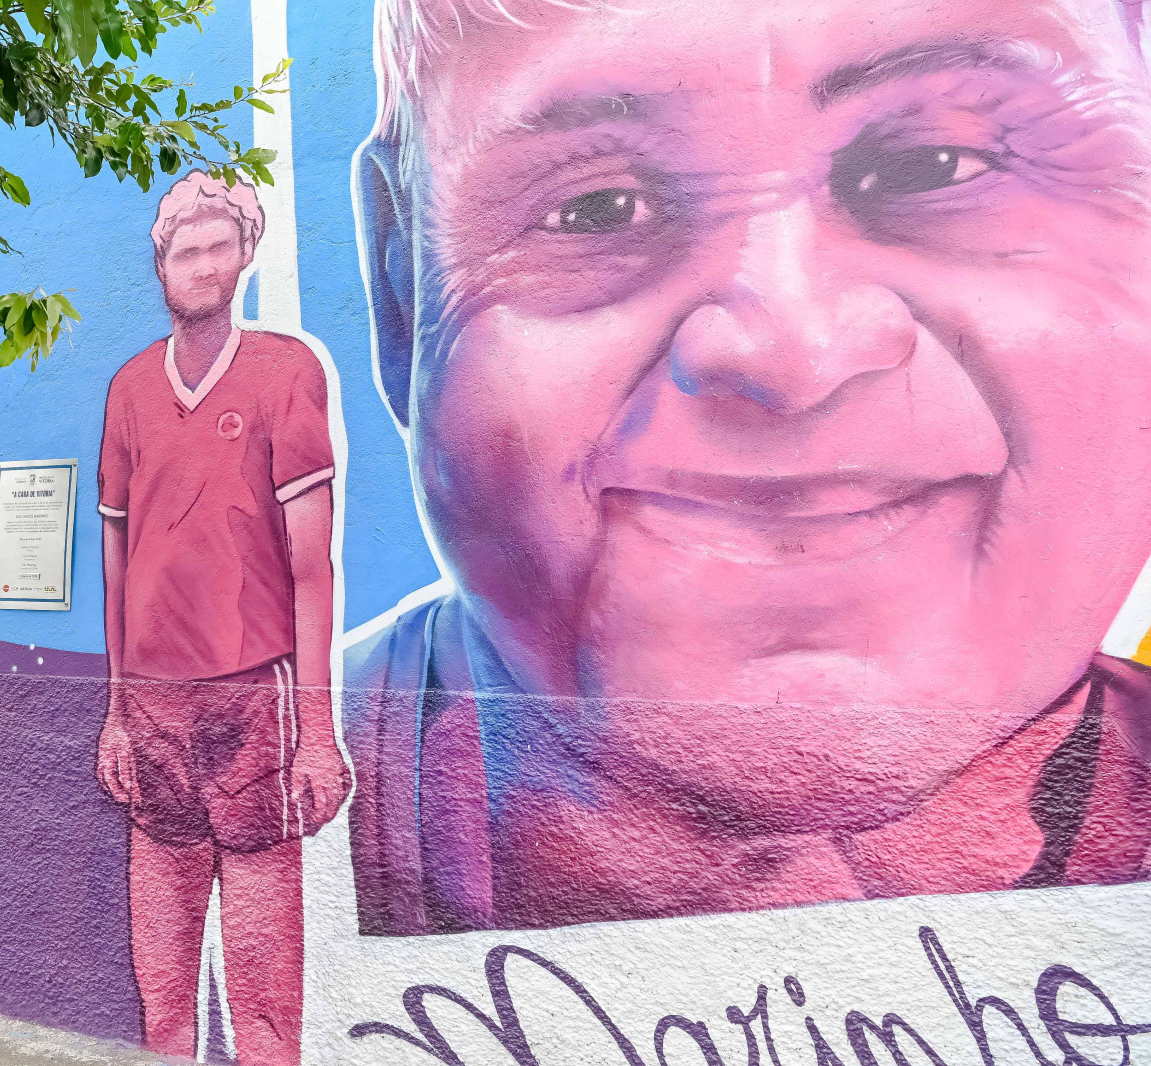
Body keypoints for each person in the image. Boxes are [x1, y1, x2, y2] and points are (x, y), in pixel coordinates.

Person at [344, 0, 1151, 936]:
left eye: (934, 166)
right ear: (402, 294)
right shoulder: (205, 805)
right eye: (597, 209)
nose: (790, 353)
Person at [95, 170, 350, 1064]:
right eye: (185, 251)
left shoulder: (286, 372)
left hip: (253, 700)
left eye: (219, 247)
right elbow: (118, 564)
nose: (203, 266)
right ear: (160, 266)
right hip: (154, 707)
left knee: (263, 1001)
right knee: (163, 995)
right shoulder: (130, 389)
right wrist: (116, 712)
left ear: (246, 255)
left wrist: (316, 734)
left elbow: (312, 567)